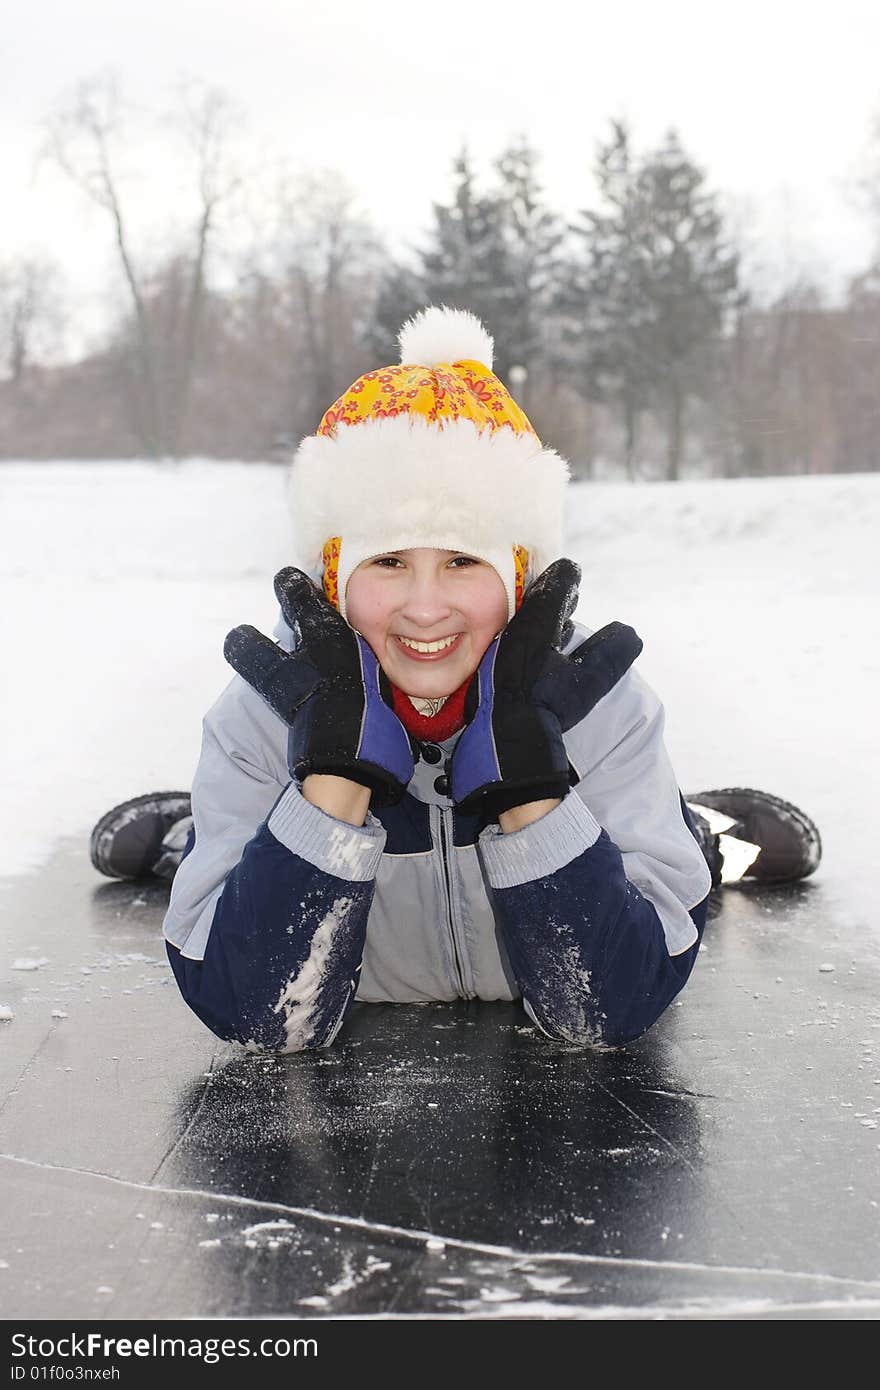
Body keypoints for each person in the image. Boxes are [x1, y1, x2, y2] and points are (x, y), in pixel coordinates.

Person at [88, 306, 822, 1053]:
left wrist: (533, 781)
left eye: (464, 562)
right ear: (335, 576)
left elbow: (608, 1010)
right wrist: (329, 780)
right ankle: (193, 836)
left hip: (584, 867)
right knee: (247, 853)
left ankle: (700, 835)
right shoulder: (266, 714)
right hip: (316, 883)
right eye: (390, 561)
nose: (426, 607)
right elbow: (258, 1017)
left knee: (661, 853)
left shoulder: (595, 702)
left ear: (518, 576)